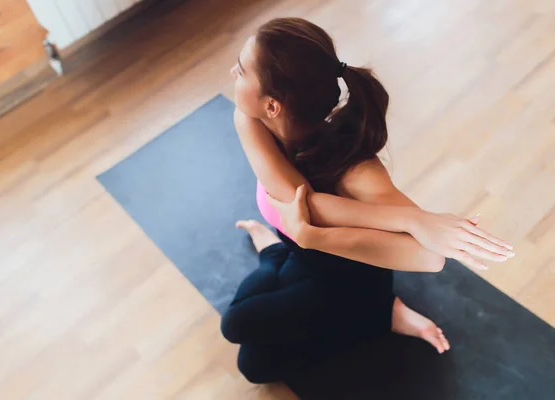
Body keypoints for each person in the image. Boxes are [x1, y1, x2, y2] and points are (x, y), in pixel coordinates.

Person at [220, 17, 514, 384]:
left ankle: (379, 312)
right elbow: (303, 203)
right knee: (250, 341)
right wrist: (406, 220)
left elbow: (430, 257)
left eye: (243, 70)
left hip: (347, 284)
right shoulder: (252, 121)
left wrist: (320, 236)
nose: (234, 71)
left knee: (244, 344)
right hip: (304, 257)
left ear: (274, 105)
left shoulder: (357, 172)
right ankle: (274, 255)